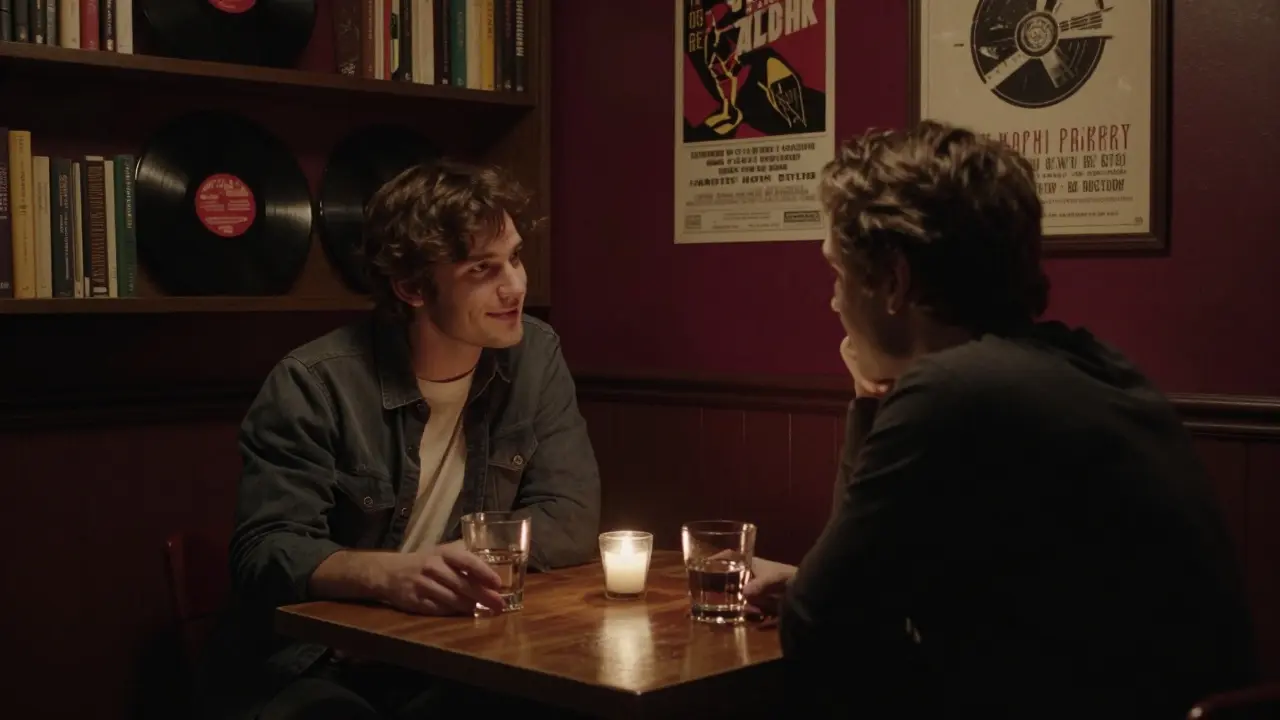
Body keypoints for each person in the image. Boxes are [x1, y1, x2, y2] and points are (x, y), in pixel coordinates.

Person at [743, 121, 1259, 717]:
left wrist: (824, 588)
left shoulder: (953, 393)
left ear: (893, 279)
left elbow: (818, 624)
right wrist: (872, 395)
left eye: (837, 272)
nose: (833, 300)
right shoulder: (1094, 367)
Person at [195, 159, 602, 720]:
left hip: (456, 649)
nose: (515, 286)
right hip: (312, 661)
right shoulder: (314, 381)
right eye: (482, 269)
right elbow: (267, 550)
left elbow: (572, 516)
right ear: (411, 287)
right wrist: (391, 578)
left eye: (514, 257)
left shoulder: (535, 354)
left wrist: (457, 569)